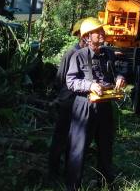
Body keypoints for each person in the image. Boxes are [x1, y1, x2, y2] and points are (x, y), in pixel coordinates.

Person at [65, 17, 126, 191]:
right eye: (97, 32)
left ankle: (106, 183)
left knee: (106, 145)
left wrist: (120, 78)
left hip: (105, 105)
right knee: (79, 148)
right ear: (87, 36)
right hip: (84, 106)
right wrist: (90, 85)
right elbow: (70, 82)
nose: (102, 34)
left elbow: (118, 72)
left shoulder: (108, 53)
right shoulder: (79, 56)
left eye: (102, 31)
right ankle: (73, 186)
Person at [47, 18, 86, 178]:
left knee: (74, 139)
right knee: (61, 137)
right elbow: (61, 78)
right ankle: (53, 171)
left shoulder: (86, 54)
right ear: (81, 36)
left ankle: (68, 171)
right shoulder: (72, 53)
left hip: (80, 103)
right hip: (68, 101)